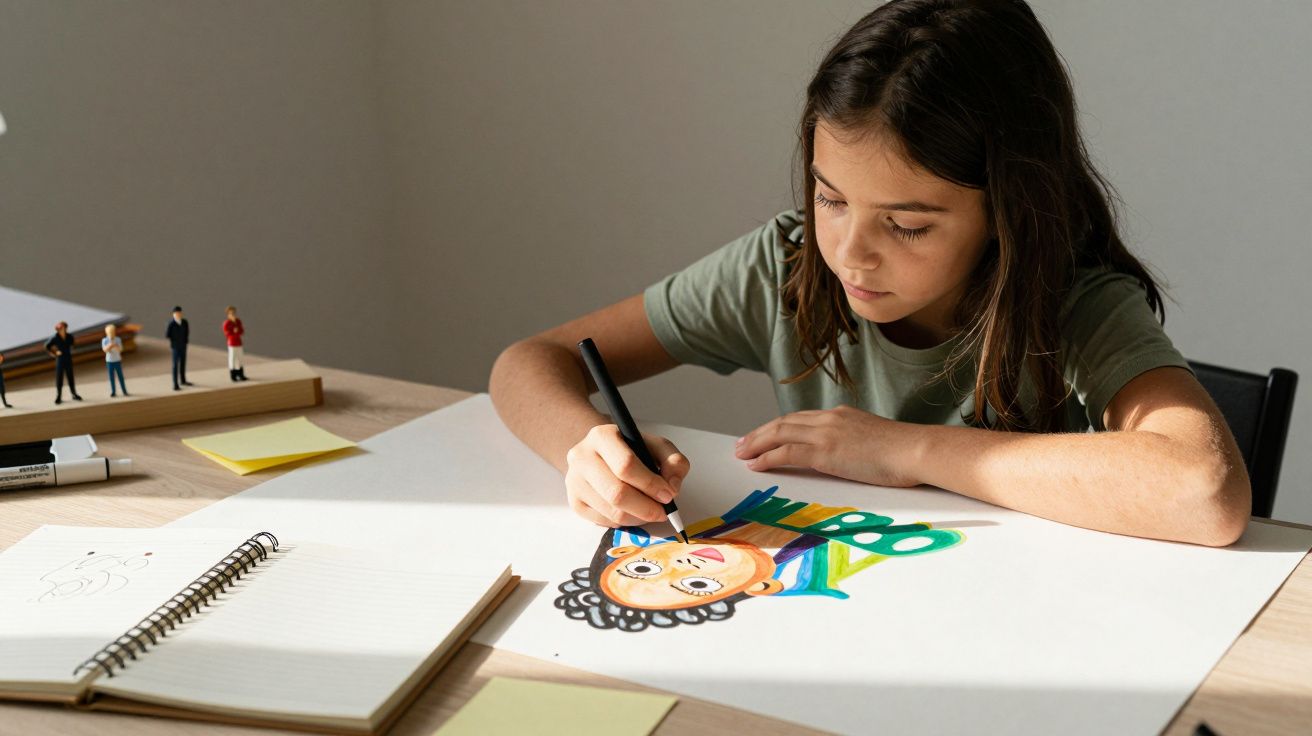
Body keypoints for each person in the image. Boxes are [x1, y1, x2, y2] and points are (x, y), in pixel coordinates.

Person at [489, 0, 1251, 548]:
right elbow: (530, 362)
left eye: (907, 223)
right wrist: (585, 446)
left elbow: (1204, 491)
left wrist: (903, 450)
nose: (851, 252)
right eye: (830, 197)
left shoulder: (1073, 306)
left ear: (1010, 209)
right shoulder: (784, 267)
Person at [44, 321, 81, 404]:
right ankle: (59, 395)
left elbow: (73, 344)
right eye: (60, 329)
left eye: (63, 328)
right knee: (59, 378)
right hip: (60, 359)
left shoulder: (69, 337)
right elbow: (47, 346)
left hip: (68, 358)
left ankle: (73, 393)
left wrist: (71, 349)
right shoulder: (55, 337)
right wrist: (54, 353)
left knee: (70, 377)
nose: (62, 330)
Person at [166, 305, 193, 390]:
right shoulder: (171, 324)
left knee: (183, 363)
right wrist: (174, 340)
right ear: (173, 314)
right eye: (176, 313)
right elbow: (167, 334)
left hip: (183, 345)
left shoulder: (184, 322)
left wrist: (185, 341)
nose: (178, 314)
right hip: (175, 346)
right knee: (175, 365)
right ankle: (175, 383)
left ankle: (183, 380)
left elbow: (187, 332)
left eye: (179, 313)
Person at [101, 324, 128, 397]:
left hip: (117, 360)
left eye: (112, 331)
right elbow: (105, 350)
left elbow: (120, 349)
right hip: (109, 361)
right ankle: (113, 391)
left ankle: (124, 390)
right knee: (111, 377)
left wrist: (115, 346)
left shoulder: (118, 339)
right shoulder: (105, 340)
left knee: (120, 376)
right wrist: (110, 346)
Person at [222, 305, 248, 382]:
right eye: (231, 313)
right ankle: (233, 375)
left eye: (234, 313)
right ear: (228, 314)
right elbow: (227, 334)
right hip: (232, 343)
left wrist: (237, 332)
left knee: (240, 358)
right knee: (232, 359)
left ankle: (240, 374)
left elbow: (242, 331)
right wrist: (235, 332)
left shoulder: (238, 321)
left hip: (238, 342)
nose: (233, 315)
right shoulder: (226, 323)